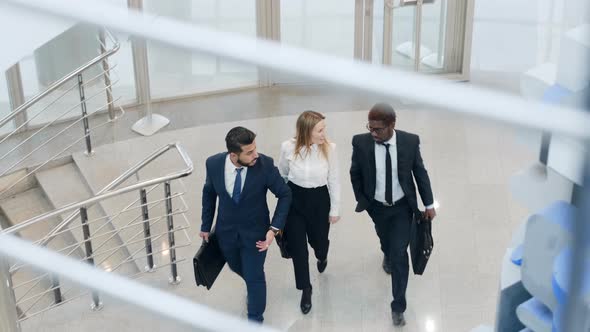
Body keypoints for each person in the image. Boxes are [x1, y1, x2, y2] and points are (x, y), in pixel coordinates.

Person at [349, 103, 436, 327]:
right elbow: (355, 172)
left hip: (402, 208)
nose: (373, 133)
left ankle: (398, 306)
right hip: (376, 206)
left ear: (392, 125)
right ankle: (385, 251)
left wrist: (428, 204)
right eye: (370, 128)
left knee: (399, 254)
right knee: (384, 239)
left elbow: (420, 172)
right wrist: (363, 200)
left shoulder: (409, 141)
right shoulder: (360, 142)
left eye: (378, 129)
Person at [200, 126, 292, 323]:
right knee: (236, 267)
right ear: (233, 155)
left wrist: (274, 229)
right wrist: (205, 225)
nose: (255, 155)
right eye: (249, 152)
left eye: (255, 149)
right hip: (226, 233)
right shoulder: (214, 164)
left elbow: (285, 194)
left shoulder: (265, 165)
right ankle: (253, 286)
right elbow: (209, 192)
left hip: (257, 235)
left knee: (254, 276)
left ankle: (255, 319)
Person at [278, 110, 341, 314]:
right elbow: (283, 175)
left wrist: (335, 209)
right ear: (307, 131)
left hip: (319, 200)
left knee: (319, 242)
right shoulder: (287, 147)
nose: (324, 133)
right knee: (298, 248)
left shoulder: (330, 149)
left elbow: (334, 180)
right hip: (295, 201)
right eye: (320, 130)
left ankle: (322, 255)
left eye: (324, 129)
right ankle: (306, 288)